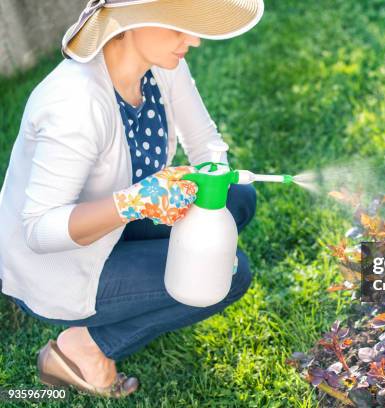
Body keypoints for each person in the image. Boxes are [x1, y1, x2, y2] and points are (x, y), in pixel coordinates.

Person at [0, 0, 264, 398]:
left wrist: (211, 176)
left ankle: (147, 279)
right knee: (228, 276)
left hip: (119, 224)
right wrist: (135, 202)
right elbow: (39, 230)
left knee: (236, 199)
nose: (192, 40)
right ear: (129, 22)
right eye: (178, 27)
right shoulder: (74, 104)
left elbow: (205, 143)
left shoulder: (158, 66)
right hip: (64, 263)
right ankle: (84, 347)